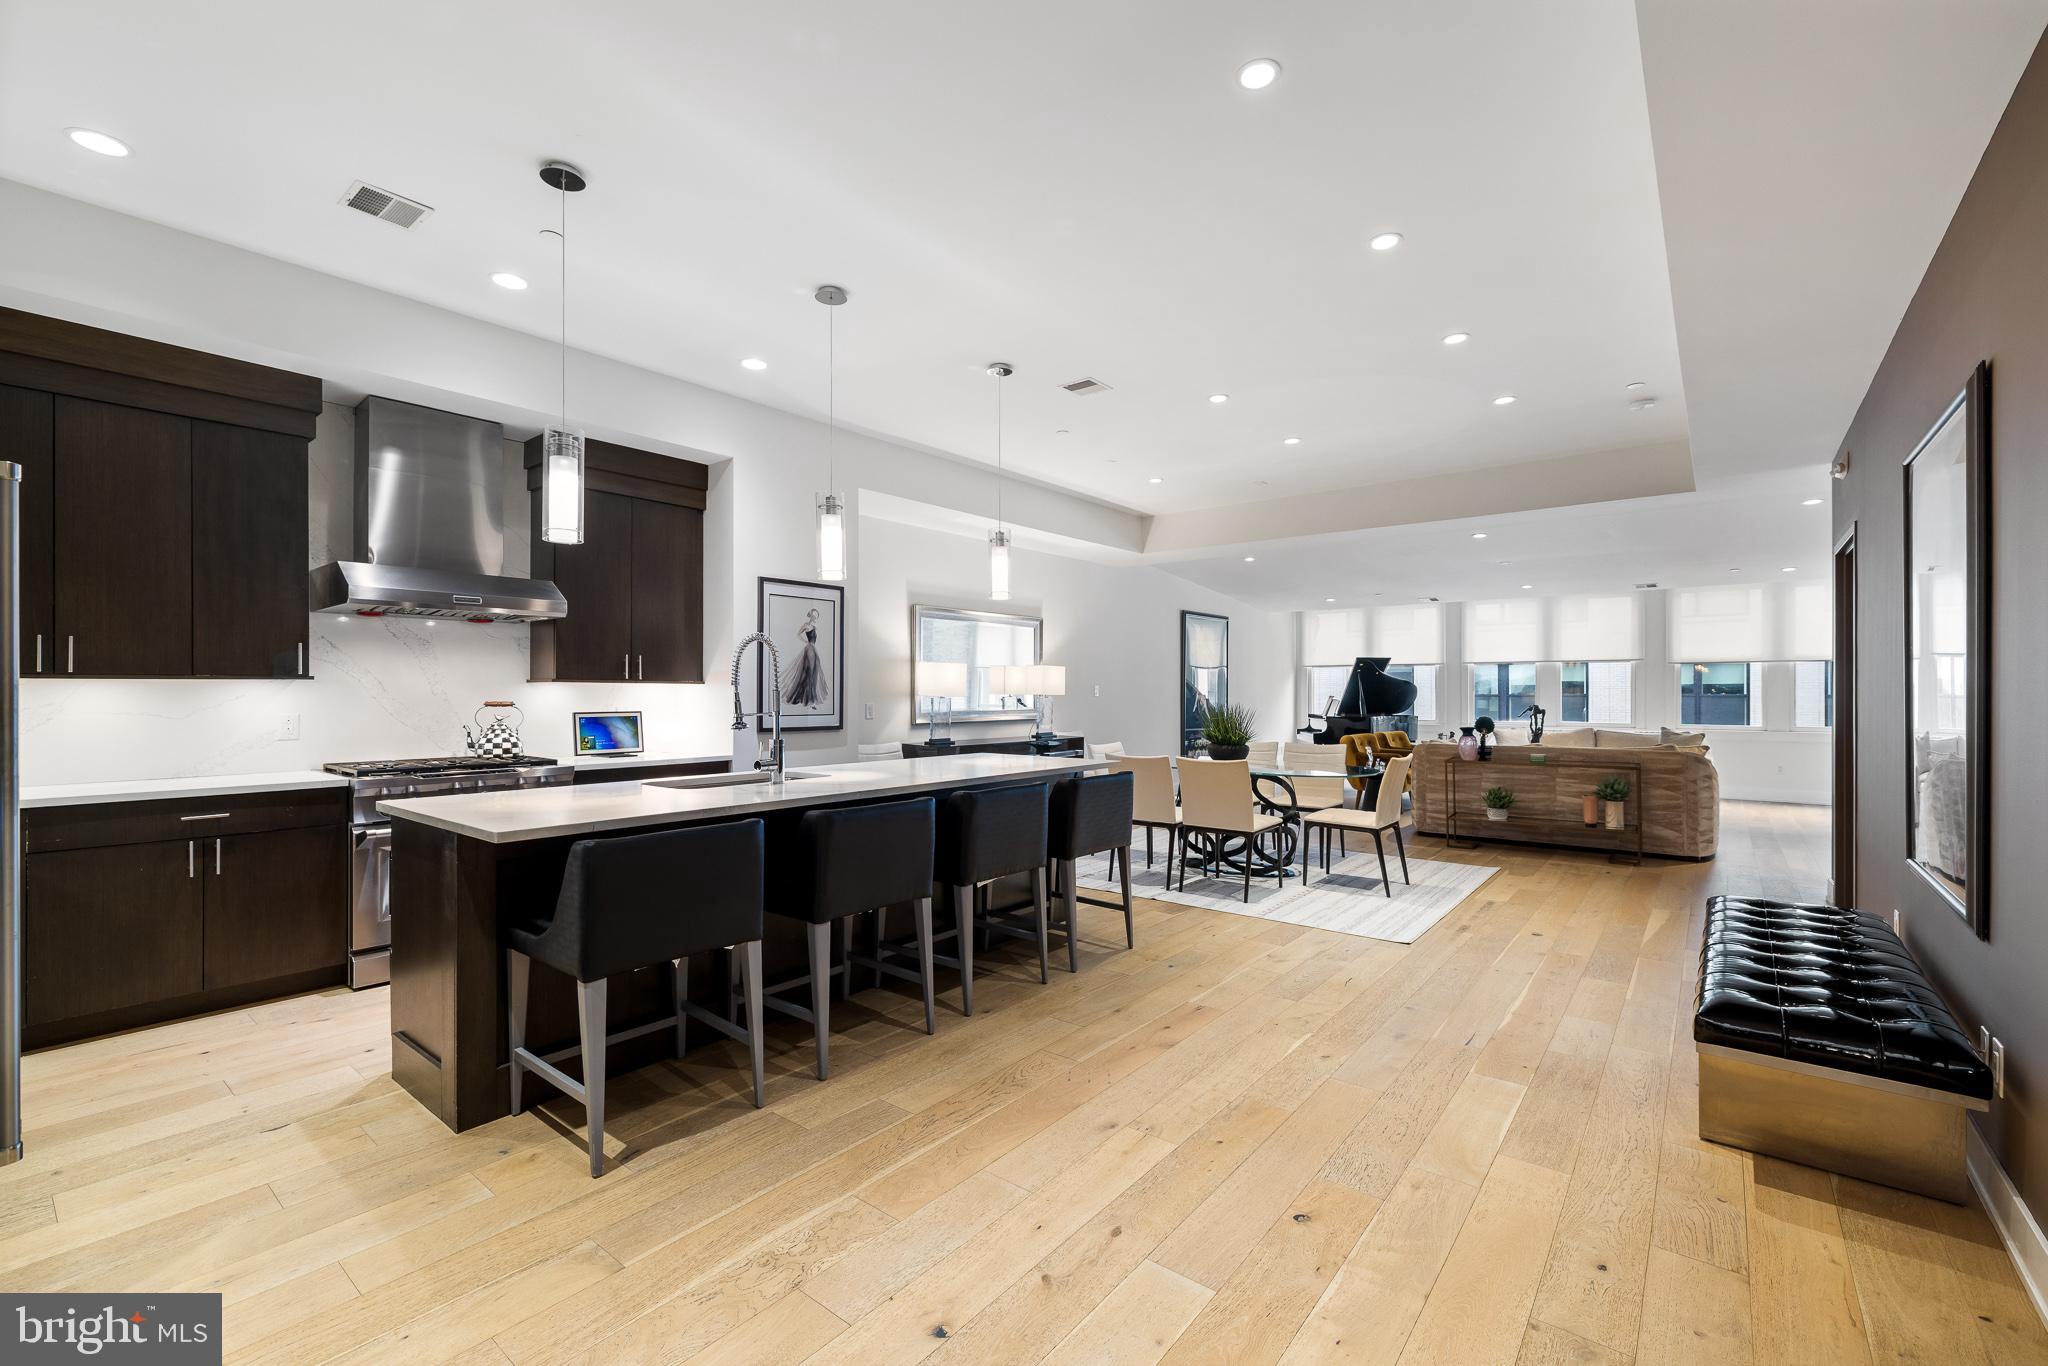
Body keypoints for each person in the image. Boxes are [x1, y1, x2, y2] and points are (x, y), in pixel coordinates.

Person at [782, 608, 830, 708]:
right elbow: (798, 634)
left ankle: (810, 699)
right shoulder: (806, 625)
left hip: (813, 650)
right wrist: (806, 642)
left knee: (812, 673)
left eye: (816, 616)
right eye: (814, 616)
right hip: (810, 650)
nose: (815, 618)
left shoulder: (815, 627)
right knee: (809, 673)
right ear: (811, 616)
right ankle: (808, 700)